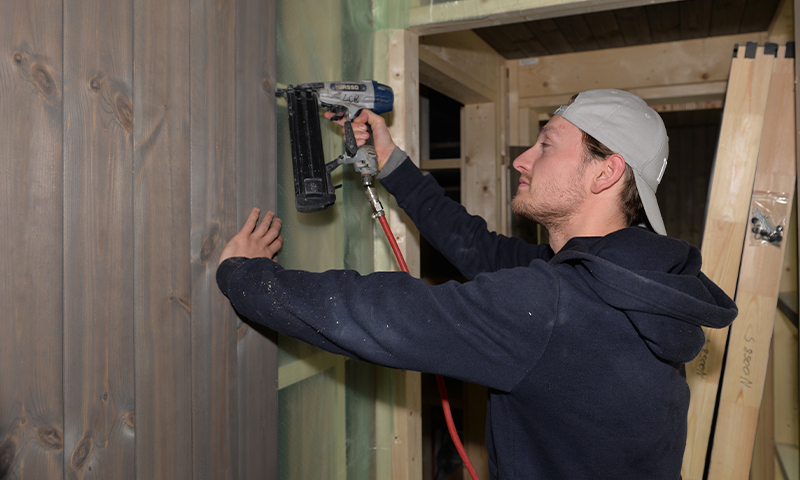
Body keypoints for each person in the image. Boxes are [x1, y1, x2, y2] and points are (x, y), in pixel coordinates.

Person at [216, 89, 737, 479]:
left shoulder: (557, 305)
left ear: (605, 173)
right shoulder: (629, 279)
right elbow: (478, 248)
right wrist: (393, 164)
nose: (522, 159)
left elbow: (380, 314)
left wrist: (245, 275)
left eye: (547, 145)